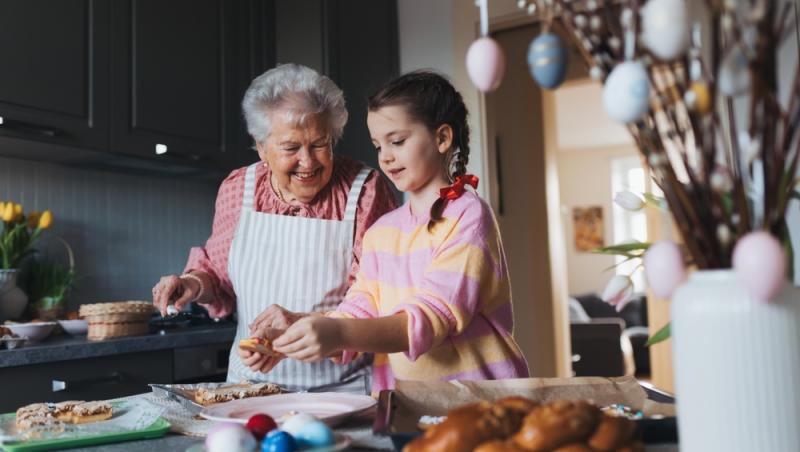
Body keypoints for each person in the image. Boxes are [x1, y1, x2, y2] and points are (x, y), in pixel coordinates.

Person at [263, 71, 530, 392]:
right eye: (378, 145)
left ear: (442, 138)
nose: (385, 156)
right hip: (411, 400)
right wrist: (297, 334)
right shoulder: (381, 232)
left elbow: (432, 317)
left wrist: (337, 333)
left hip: (483, 398)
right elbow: (358, 311)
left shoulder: (468, 215)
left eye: (397, 141)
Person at [151, 64, 397, 391]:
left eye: (320, 144)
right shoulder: (238, 189)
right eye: (291, 148)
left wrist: (307, 326)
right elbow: (218, 276)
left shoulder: (364, 190)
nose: (308, 162)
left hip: (344, 390)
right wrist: (192, 285)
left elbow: (378, 297)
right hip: (250, 387)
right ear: (261, 145)